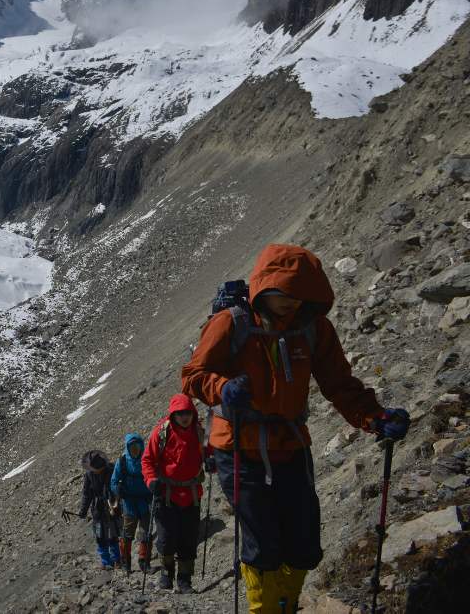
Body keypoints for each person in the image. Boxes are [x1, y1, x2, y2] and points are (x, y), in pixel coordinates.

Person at [182, 244, 411, 612]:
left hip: (290, 443)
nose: (293, 304)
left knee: (304, 545)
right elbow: (192, 376)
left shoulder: (314, 328)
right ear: (265, 288)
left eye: (300, 297)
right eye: (285, 296)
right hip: (239, 448)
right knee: (262, 546)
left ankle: (284, 604)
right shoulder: (232, 323)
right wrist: (222, 388)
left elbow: (339, 384)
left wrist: (374, 418)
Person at [142, 394, 208, 593]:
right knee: (166, 539)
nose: (184, 417)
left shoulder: (199, 432)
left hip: (191, 495)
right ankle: (166, 574)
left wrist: (213, 460)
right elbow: (147, 461)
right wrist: (151, 480)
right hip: (166, 495)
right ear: (173, 414)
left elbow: (210, 451)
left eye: (187, 413)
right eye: (180, 414)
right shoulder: (161, 433)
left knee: (188, 539)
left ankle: (185, 580)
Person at [69, 449, 122, 569]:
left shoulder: (111, 469)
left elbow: (118, 486)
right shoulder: (89, 475)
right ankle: (106, 562)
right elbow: (87, 494)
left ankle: (117, 560)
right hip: (98, 509)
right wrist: (83, 510)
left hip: (112, 506)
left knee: (113, 534)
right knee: (100, 536)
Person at [110, 432, 153, 574]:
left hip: (145, 501)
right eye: (132, 446)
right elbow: (114, 481)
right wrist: (118, 490)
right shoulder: (122, 462)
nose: (135, 449)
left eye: (137, 446)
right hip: (129, 503)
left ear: (141, 445)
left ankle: (144, 561)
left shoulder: (147, 459)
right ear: (127, 447)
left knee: (146, 532)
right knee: (127, 534)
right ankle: (125, 562)